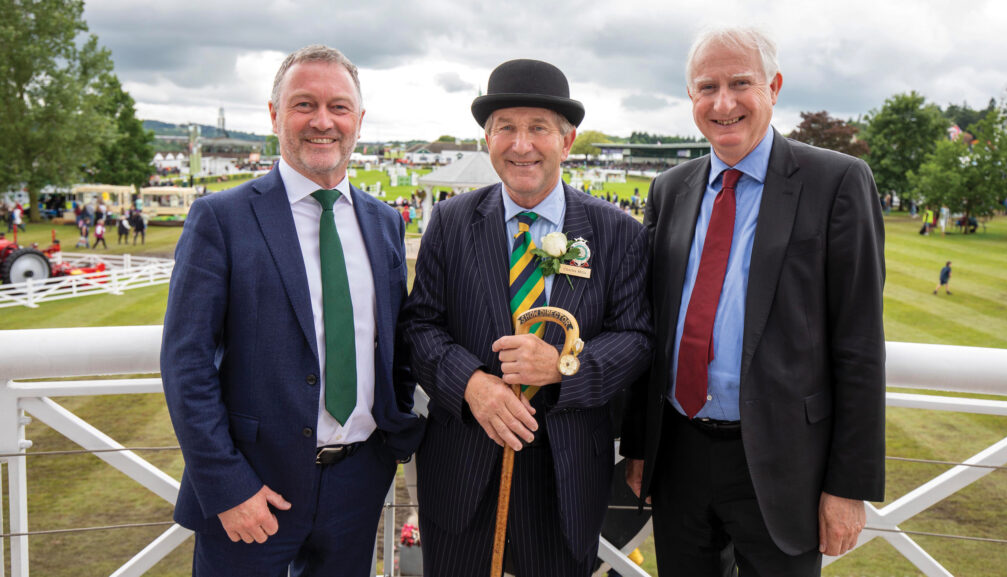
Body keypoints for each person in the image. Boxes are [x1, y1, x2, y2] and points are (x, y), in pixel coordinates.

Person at [620, 27, 886, 577]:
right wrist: (642, 446)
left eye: (741, 83)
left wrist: (847, 487)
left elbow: (859, 343)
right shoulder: (670, 188)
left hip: (783, 462)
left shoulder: (837, 181)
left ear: (774, 87)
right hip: (680, 455)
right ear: (691, 98)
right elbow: (653, 328)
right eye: (706, 87)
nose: (723, 103)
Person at [160, 44, 424, 577]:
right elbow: (186, 364)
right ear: (275, 115)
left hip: (358, 483)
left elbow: (394, 340)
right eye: (304, 105)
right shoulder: (221, 218)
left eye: (339, 107)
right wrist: (228, 485)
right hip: (253, 489)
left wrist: (390, 443)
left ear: (360, 120)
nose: (322, 121)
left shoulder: (383, 221)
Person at [401, 59, 653, 576]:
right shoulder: (450, 222)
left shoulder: (616, 232)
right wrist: (472, 384)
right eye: (505, 128)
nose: (521, 145)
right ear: (487, 139)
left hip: (565, 473)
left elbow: (636, 338)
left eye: (538, 128)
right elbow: (420, 327)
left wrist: (565, 366)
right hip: (464, 466)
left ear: (568, 141)